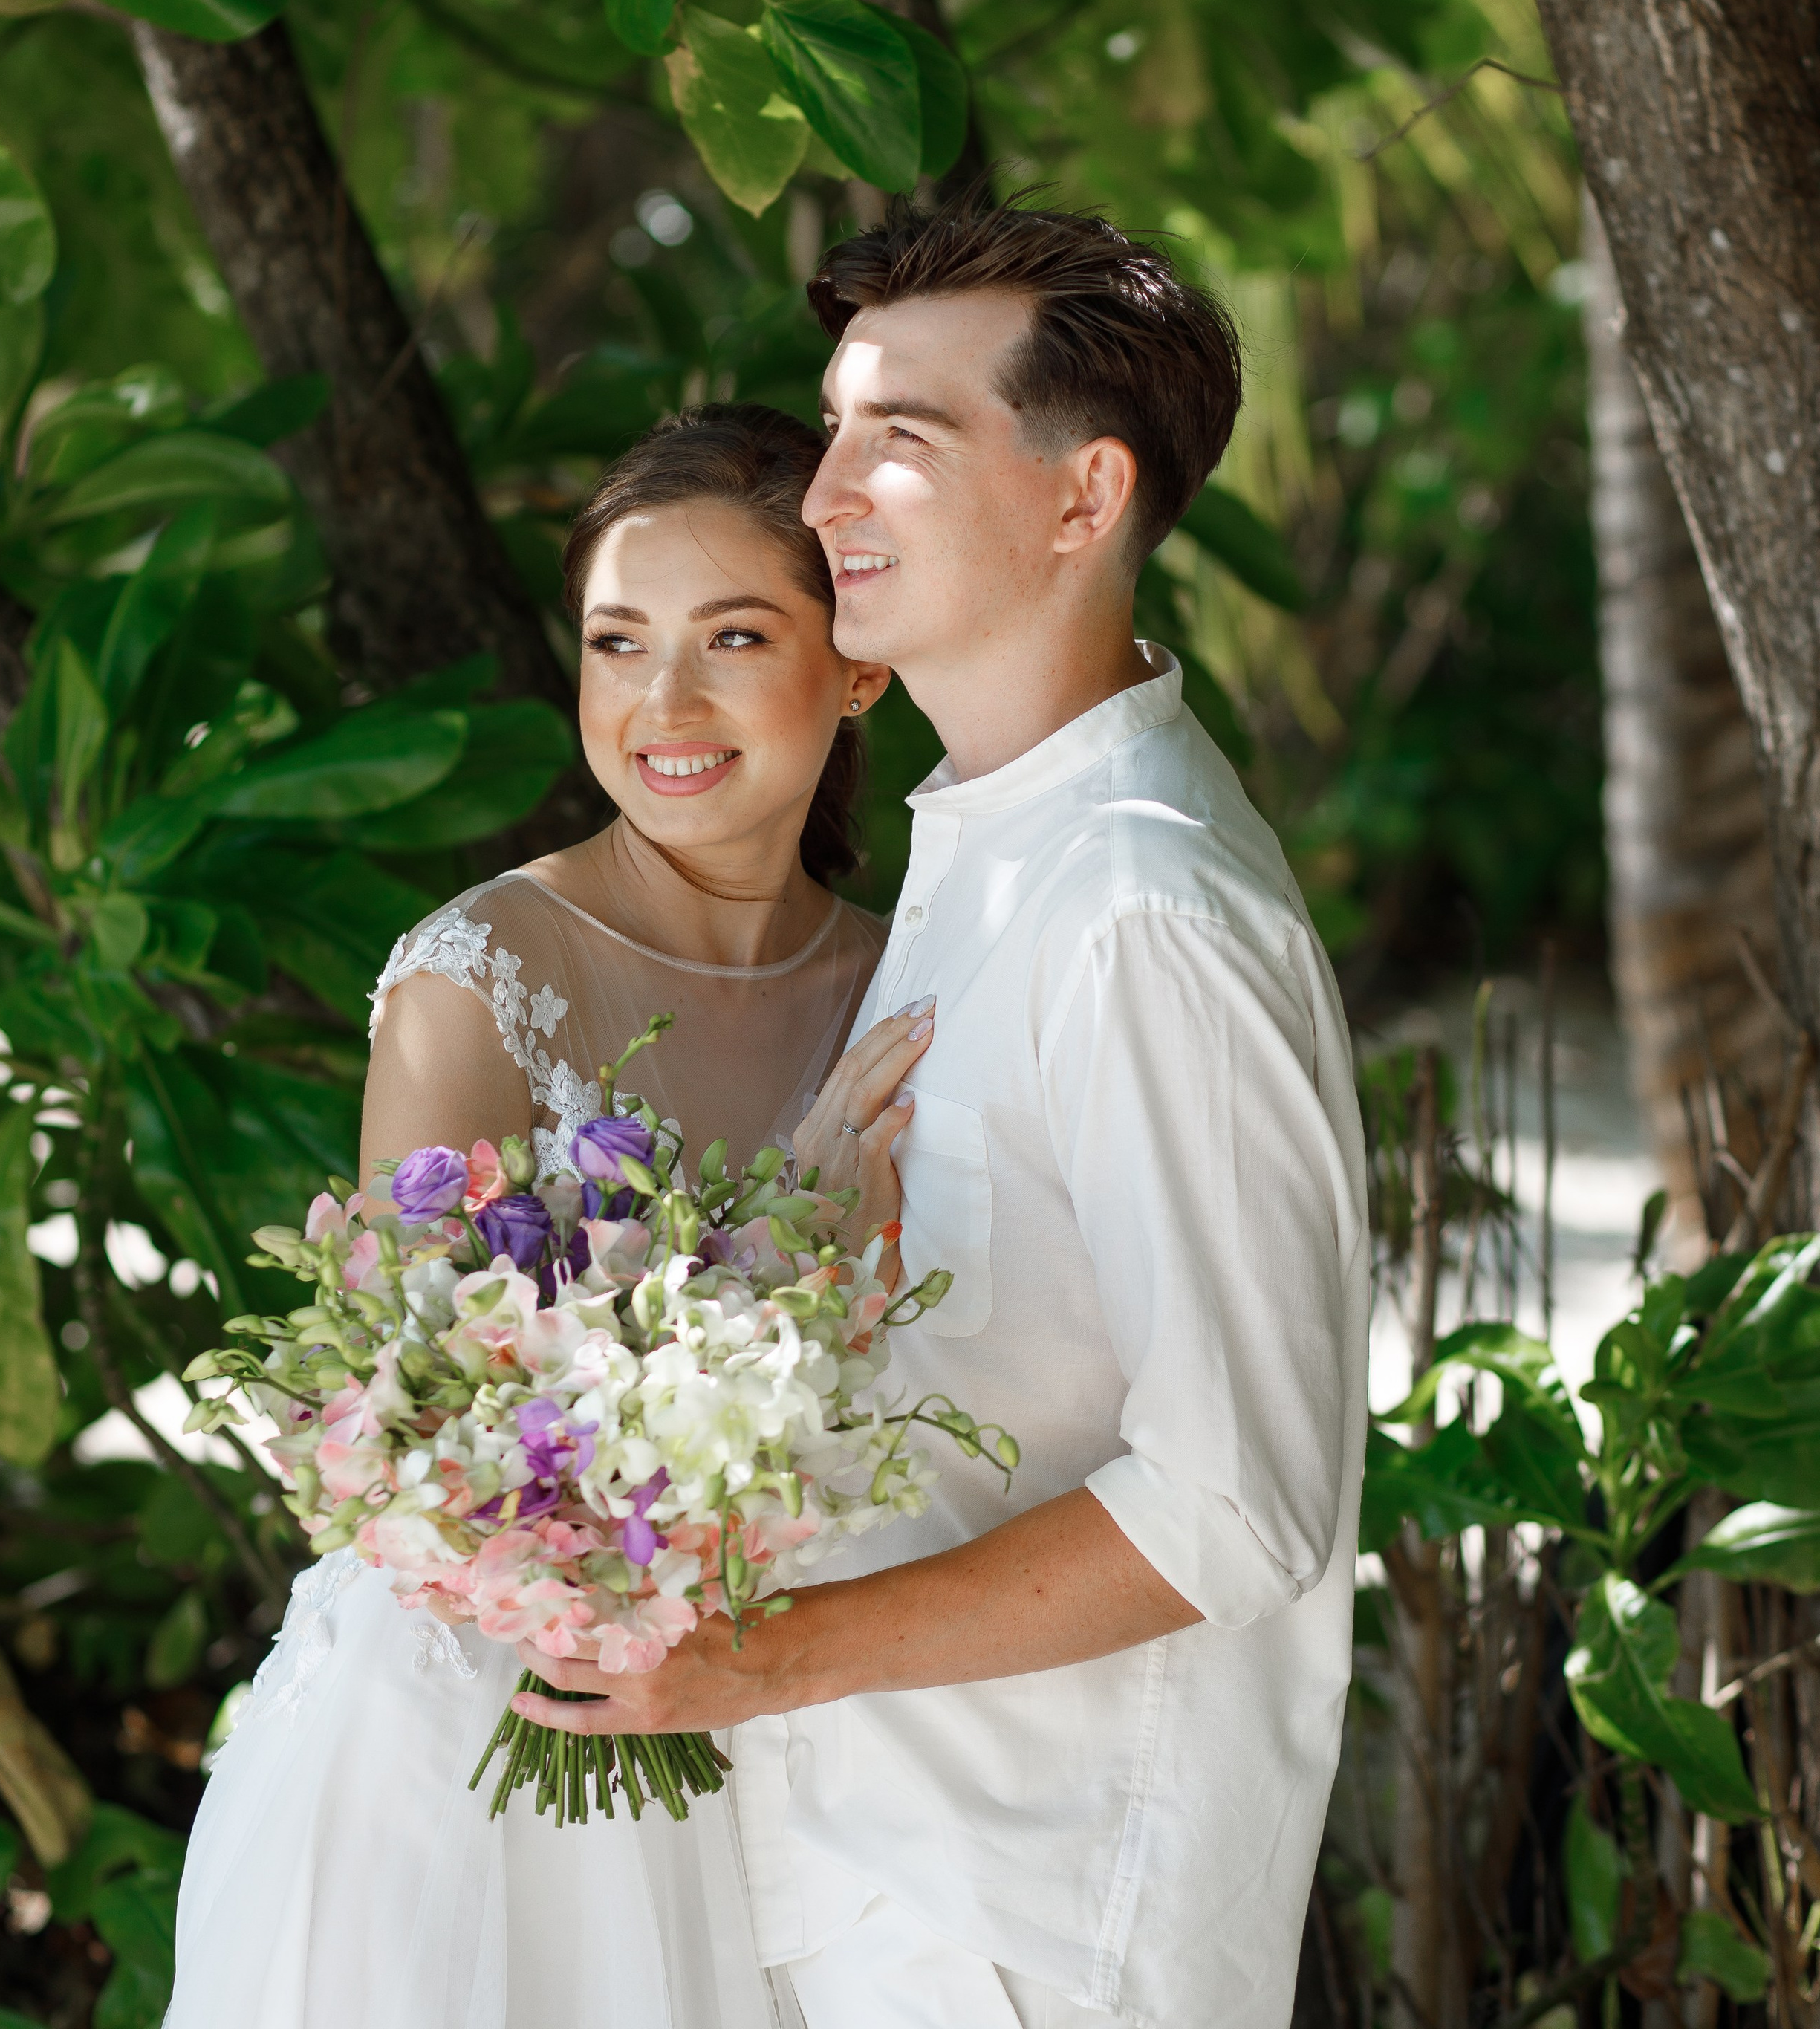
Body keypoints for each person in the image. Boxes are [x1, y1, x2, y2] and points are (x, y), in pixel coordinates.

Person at [509, 204, 1370, 2029]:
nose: (823, 496)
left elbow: (1238, 1500)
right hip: (878, 1878)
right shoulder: (979, 852)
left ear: (1081, 501)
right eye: (832, 430)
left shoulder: (1145, 906)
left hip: (1035, 1919)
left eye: (895, 440)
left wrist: (763, 1660)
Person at [165, 403, 931, 2029]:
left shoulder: (918, 979)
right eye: (616, 642)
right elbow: (423, 1443)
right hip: (477, 1757)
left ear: (856, 659)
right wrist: (779, 1255)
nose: (666, 703)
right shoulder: (477, 982)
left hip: (814, 1731)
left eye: (735, 634)